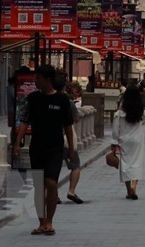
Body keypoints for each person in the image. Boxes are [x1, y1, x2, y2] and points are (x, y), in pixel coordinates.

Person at [13, 64, 74, 236]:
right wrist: (17, 143)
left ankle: (49, 221)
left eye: (38, 78)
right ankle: (41, 222)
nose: (35, 81)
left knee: (51, 183)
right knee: (39, 185)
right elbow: (25, 121)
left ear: (48, 80)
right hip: (37, 147)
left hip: (55, 148)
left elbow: (68, 126)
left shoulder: (62, 100)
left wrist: (71, 148)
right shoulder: (33, 98)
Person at [111, 83, 145, 200]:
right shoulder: (141, 111)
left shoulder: (120, 112)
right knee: (137, 162)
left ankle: (128, 189)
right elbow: (142, 123)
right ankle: (134, 187)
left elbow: (116, 128)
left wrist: (114, 141)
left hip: (124, 140)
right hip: (137, 139)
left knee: (125, 163)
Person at [54, 73, 84, 205]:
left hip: (52, 139)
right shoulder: (69, 102)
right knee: (75, 165)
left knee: (54, 168)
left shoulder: (48, 100)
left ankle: (54, 195)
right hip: (67, 139)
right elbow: (75, 119)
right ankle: (71, 191)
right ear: (64, 87)